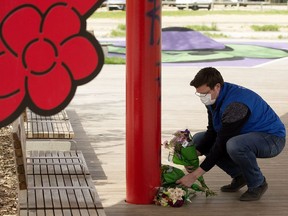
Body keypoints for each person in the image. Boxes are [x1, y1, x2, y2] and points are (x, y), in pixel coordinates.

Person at [176, 67, 286, 201]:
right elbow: (212, 131)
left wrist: (194, 175)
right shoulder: (213, 98)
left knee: (234, 145)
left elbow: (221, 143)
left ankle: (258, 183)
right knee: (199, 139)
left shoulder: (235, 105)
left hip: (271, 139)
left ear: (217, 86)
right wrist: (194, 153)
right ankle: (240, 176)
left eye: (204, 93)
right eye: (199, 94)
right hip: (245, 134)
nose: (202, 98)